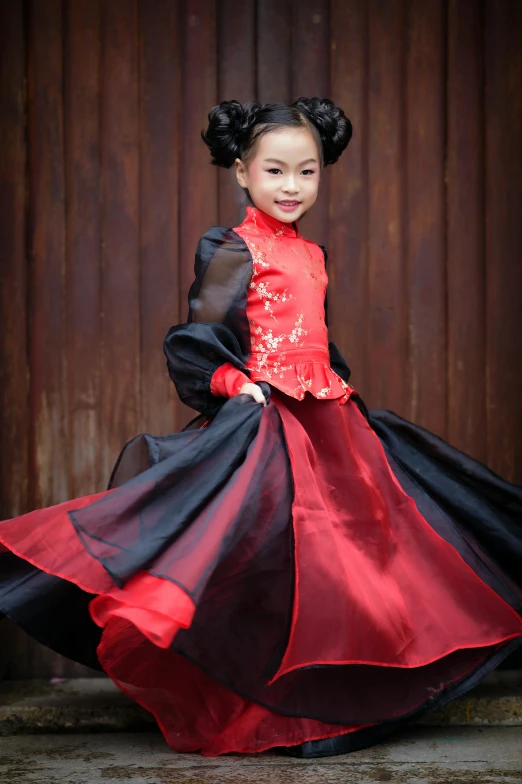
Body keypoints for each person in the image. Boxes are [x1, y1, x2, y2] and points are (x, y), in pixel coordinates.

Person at [1, 98, 521, 758]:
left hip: (330, 419)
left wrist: (336, 388)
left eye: (307, 173)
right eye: (276, 171)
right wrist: (231, 382)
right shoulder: (231, 248)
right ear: (242, 171)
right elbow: (200, 334)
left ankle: (340, 694)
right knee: (265, 558)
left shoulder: (313, 253)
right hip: (266, 422)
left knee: (361, 561)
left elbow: (319, 338)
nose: (292, 187)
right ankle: (257, 697)